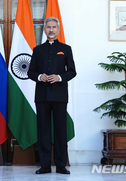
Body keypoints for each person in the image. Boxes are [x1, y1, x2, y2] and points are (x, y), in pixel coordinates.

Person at [28, 17, 76, 175]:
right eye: (48, 27)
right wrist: (39, 76)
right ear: (44, 29)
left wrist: (59, 77)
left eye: (54, 27)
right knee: (43, 131)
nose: (51, 30)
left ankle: (61, 165)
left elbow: (72, 71)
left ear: (58, 29)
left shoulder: (66, 48)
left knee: (60, 131)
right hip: (42, 96)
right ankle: (45, 165)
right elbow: (31, 71)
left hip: (60, 95)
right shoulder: (38, 49)